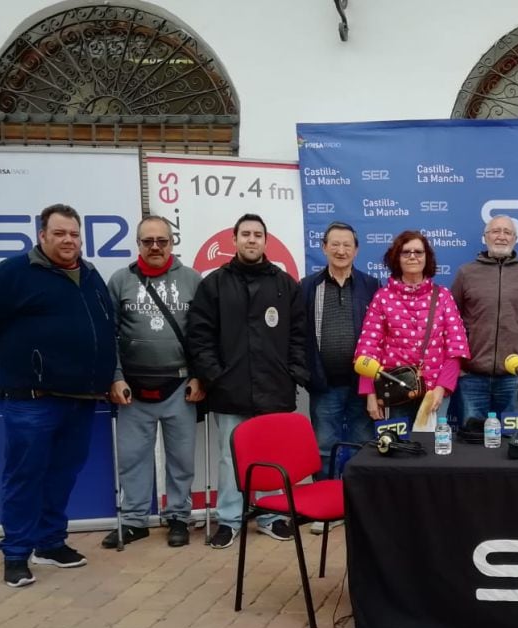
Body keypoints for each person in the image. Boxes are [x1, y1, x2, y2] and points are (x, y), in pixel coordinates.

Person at [0, 203, 116, 587]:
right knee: (25, 476)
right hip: (31, 397)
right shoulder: (12, 274)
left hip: (81, 398)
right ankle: (16, 553)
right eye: (60, 233)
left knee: (62, 474)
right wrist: (8, 359)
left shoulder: (91, 275)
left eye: (74, 234)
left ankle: (49, 543)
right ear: (42, 236)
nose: (68, 240)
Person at [187, 213, 309, 549]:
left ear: (266, 241)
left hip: (275, 388)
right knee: (230, 458)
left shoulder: (285, 285)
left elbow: (300, 334)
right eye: (245, 234)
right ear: (234, 241)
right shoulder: (213, 284)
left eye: (257, 234)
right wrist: (214, 374)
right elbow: (200, 335)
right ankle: (229, 519)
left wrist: (293, 372)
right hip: (229, 390)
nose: (251, 240)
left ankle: (270, 516)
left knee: (272, 455)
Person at [102, 216, 204, 549]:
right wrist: (116, 378)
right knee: (132, 457)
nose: (155, 247)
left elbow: (204, 336)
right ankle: (133, 521)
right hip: (132, 388)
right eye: (148, 241)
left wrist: (200, 377)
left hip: (179, 386)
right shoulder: (119, 281)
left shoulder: (192, 280)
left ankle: (178, 517)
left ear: (172, 243)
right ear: (138, 244)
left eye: (162, 240)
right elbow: (108, 337)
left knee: (181, 459)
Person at [355, 231, 470, 426]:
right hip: (396, 391)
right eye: (406, 252)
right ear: (396, 258)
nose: (412, 256)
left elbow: (456, 348)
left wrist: (443, 388)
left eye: (418, 252)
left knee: (434, 450)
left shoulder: (443, 296)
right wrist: (370, 394)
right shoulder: (382, 297)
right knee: (399, 451)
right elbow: (368, 349)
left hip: (434, 394)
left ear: (427, 257)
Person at [300, 222, 379, 477]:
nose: (341, 250)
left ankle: (358, 505)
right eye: (335, 244)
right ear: (324, 247)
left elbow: (380, 336)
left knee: (363, 446)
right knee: (324, 448)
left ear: (356, 250)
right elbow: (299, 334)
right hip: (324, 385)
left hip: (363, 385)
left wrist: (372, 385)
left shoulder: (371, 285)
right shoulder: (307, 286)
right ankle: (327, 508)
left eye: (347, 245)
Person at [451, 215, 518, 421]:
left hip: (513, 378)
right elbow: (451, 323)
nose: (501, 236)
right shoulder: (466, 273)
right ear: (485, 237)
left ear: (515, 238)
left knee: (510, 444)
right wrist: (459, 365)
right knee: (472, 443)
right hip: (471, 377)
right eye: (495, 231)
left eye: (507, 232)